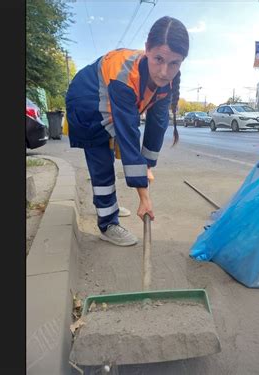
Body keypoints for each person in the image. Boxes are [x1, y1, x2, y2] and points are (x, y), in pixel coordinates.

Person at [65, 16, 189, 246]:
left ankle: (108, 205)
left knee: (118, 155)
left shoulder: (167, 84)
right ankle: (107, 222)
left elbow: (156, 126)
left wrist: (148, 166)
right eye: (158, 59)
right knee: (101, 160)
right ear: (147, 50)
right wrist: (145, 198)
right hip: (86, 102)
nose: (164, 71)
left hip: (108, 103)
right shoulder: (125, 75)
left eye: (174, 63)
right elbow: (129, 134)